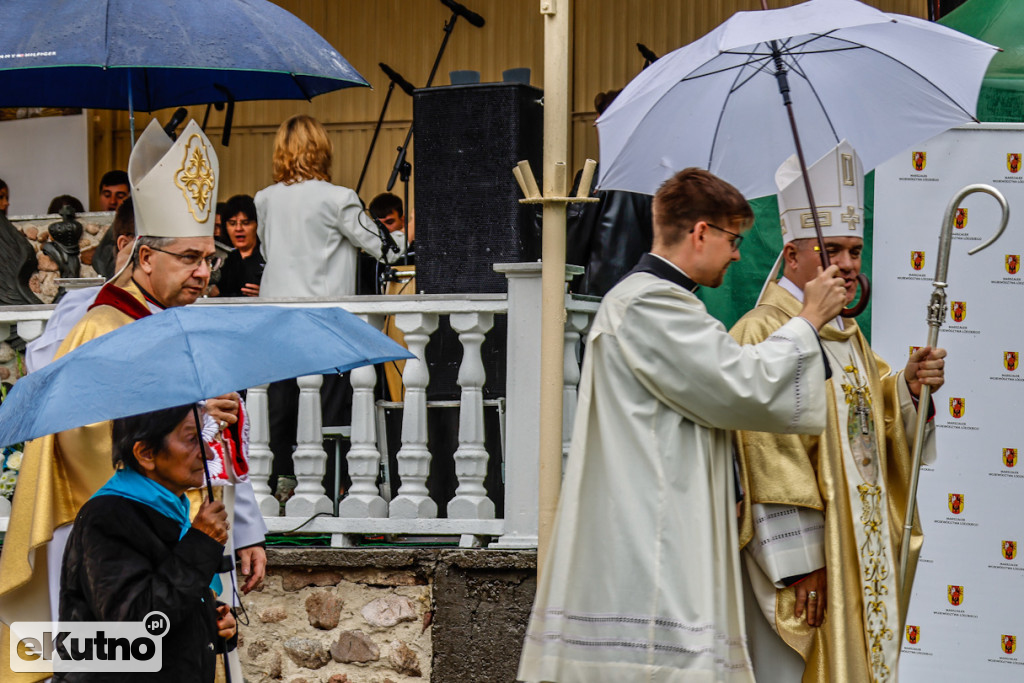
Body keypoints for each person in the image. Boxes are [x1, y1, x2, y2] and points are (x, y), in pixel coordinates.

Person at [518, 168, 849, 683]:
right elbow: (741, 385)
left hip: (663, 517)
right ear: (700, 232)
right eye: (733, 239)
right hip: (653, 535)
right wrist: (808, 321)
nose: (738, 254)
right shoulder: (649, 304)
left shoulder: (663, 303)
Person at [0, 120, 266, 683]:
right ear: (144, 256)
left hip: (175, 535)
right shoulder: (103, 324)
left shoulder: (171, 324)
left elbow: (197, 447)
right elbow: (93, 441)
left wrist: (244, 529)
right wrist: (193, 420)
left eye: (210, 259)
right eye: (191, 257)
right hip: (113, 533)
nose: (203, 272)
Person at [730, 141, 946, 683]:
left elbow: (876, 424)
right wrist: (800, 565)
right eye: (833, 253)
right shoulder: (762, 332)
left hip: (857, 548)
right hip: (809, 563)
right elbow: (765, 455)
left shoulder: (848, 333)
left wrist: (911, 389)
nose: (848, 266)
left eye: (854, 250)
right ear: (793, 254)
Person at [256, 114, 405, 496]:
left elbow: (266, 252)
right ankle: (327, 486)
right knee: (330, 410)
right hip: (325, 322)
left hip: (275, 320)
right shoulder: (339, 198)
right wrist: (408, 232)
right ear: (322, 150)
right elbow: (386, 250)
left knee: (283, 406)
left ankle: (282, 479)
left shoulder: (265, 199)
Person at [56, 404, 236, 682]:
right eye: (192, 440)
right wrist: (201, 543)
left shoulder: (169, 511)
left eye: (205, 439)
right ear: (146, 453)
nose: (209, 453)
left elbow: (166, 604)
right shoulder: (110, 516)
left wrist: (211, 624)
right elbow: (136, 624)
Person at [25, 198, 136, 372]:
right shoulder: (80, 305)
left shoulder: (183, 311)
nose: (195, 271)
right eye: (185, 256)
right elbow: (42, 368)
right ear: (128, 245)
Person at [215, 194, 263, 298]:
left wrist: (265, 294)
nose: (238, 228)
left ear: (258, 225)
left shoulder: (267, 258)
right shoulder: (219, 260)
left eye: (245, 223)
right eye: (232, 223)